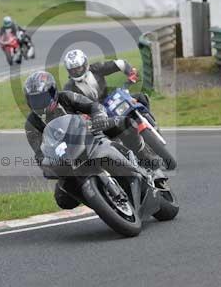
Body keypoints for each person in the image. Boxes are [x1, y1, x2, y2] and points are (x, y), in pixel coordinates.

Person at [23, 71, 159, 210]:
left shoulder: (66, 97)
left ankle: (145, 157)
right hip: (68, 159)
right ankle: (102, 202)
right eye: (35, 100)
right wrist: (48, 166)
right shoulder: (31, 124)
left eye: (43, 98)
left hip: (92, 132)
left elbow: (93, 106)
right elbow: (40, 153)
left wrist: (99, 116)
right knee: (62, 199)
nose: (39, 104)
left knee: (126, 123)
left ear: (53, 93)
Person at [63, 49, 149, 107]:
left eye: (78, 68)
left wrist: (131, 73)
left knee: (141, 97)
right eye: (73, 70)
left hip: (110, 101)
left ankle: (153, 125)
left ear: (85, 64)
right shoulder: (69, 87)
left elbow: (120, 64)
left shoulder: (96, 68)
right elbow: (67, 107)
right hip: (92, 115)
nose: (76, 72)